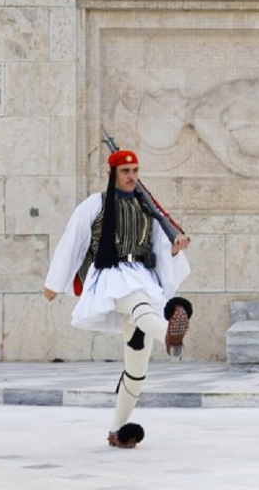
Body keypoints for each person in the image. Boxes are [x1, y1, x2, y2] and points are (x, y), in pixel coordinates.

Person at [43, 148, 193, 449]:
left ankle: (117, 430)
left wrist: (175, 248)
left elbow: (159, 245)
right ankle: (169, 333)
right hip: (111, 276)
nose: (132, 177)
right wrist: (53, 284)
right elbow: (73, 240)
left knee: (137, 368)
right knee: (139, 306)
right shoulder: (95, 204)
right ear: (112, 174)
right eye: (126, 172)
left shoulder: (145, 207)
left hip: (141, 273)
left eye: (135, 171)